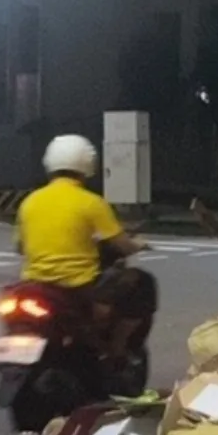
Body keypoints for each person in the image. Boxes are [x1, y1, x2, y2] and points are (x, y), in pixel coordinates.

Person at [16, 134, 158, 360]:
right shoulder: (92, 202)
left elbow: (20, 247)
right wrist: (137, 245)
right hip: (79, 286)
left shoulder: (29, 202)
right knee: (142, 282)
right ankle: (118, 349)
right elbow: (121, 244)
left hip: (35, 284)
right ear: (88, 165)